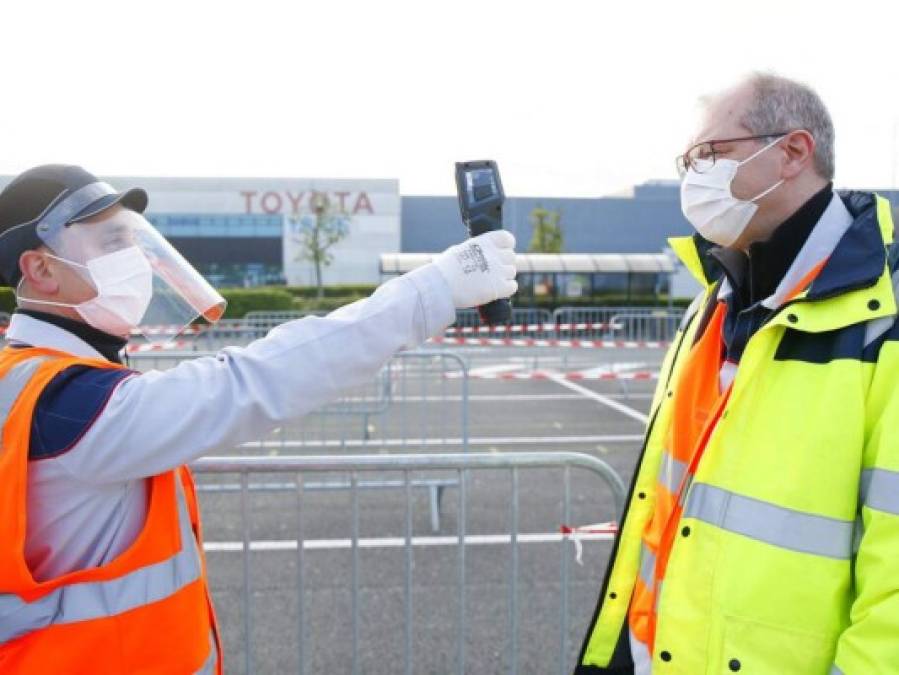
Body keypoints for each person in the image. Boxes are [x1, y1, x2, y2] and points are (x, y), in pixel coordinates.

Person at [0, 164, 518, 674]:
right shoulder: (72, 405)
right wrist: (435, 289)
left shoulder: (26, 378)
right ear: (41, 269)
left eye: (133, 241)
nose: (134, 258)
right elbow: (255, 381)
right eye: (112, 243)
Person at [576, 72, 899, 674]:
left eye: (712, 154)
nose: (693, 177)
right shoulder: (716, 299)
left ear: (793, 152)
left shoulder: (882, 321)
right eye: (689, 161)